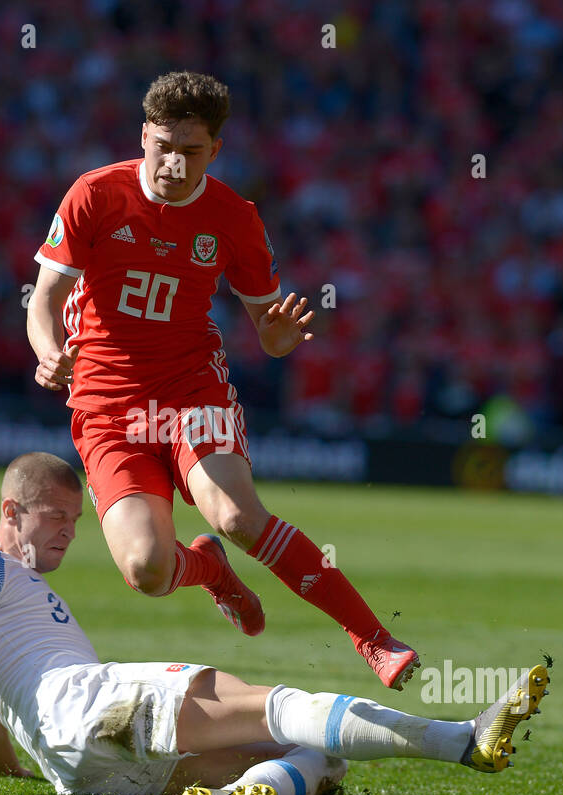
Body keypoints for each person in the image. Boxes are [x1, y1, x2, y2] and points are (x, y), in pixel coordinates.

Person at [27, 70, 419, 690]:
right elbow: (44, 298)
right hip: (107, 403)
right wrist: (49, 353)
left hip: (190, 391)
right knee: (147, 571)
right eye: (164, 147)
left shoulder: (234, 218)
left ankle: (374, 639)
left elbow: (268, 324)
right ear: (144, 137)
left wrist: (277, 339)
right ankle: (209, 571)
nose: (174, 164)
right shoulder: (94, 195)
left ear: (215, 151)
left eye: (191, 151)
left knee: (236, 515)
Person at [0, 453, 550, 795]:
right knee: (276, 704)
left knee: (322, 759)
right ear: (10, 512)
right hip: (92, 704)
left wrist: (9, 772)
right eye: (54, 518)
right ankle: (461, 741)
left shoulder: (19, 598)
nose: (70, 533)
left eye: (76, 519)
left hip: (77, 768)